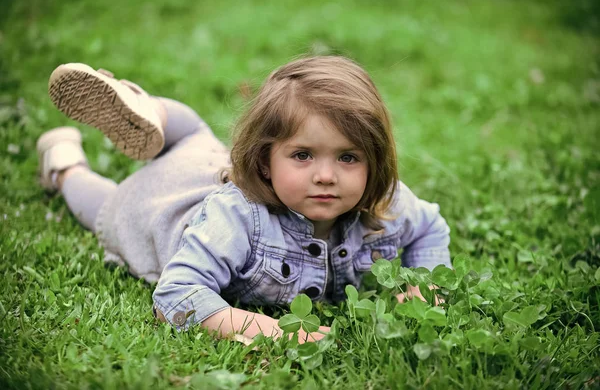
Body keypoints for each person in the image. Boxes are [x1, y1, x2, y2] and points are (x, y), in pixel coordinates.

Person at [38, 56, 451, 342]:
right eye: (303, 155)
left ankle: (157, 113)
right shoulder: (237, 216)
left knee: (196, 136)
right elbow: (176, 294)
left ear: (373, 160)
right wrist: (266, 329)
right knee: (107, 209)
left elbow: (430, 228)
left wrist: (425, 286)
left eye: (347, 157)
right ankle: (66, 165)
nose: (326, 175)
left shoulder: (382, 203)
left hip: (210, 160)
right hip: (165, 205)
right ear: (265, 161)